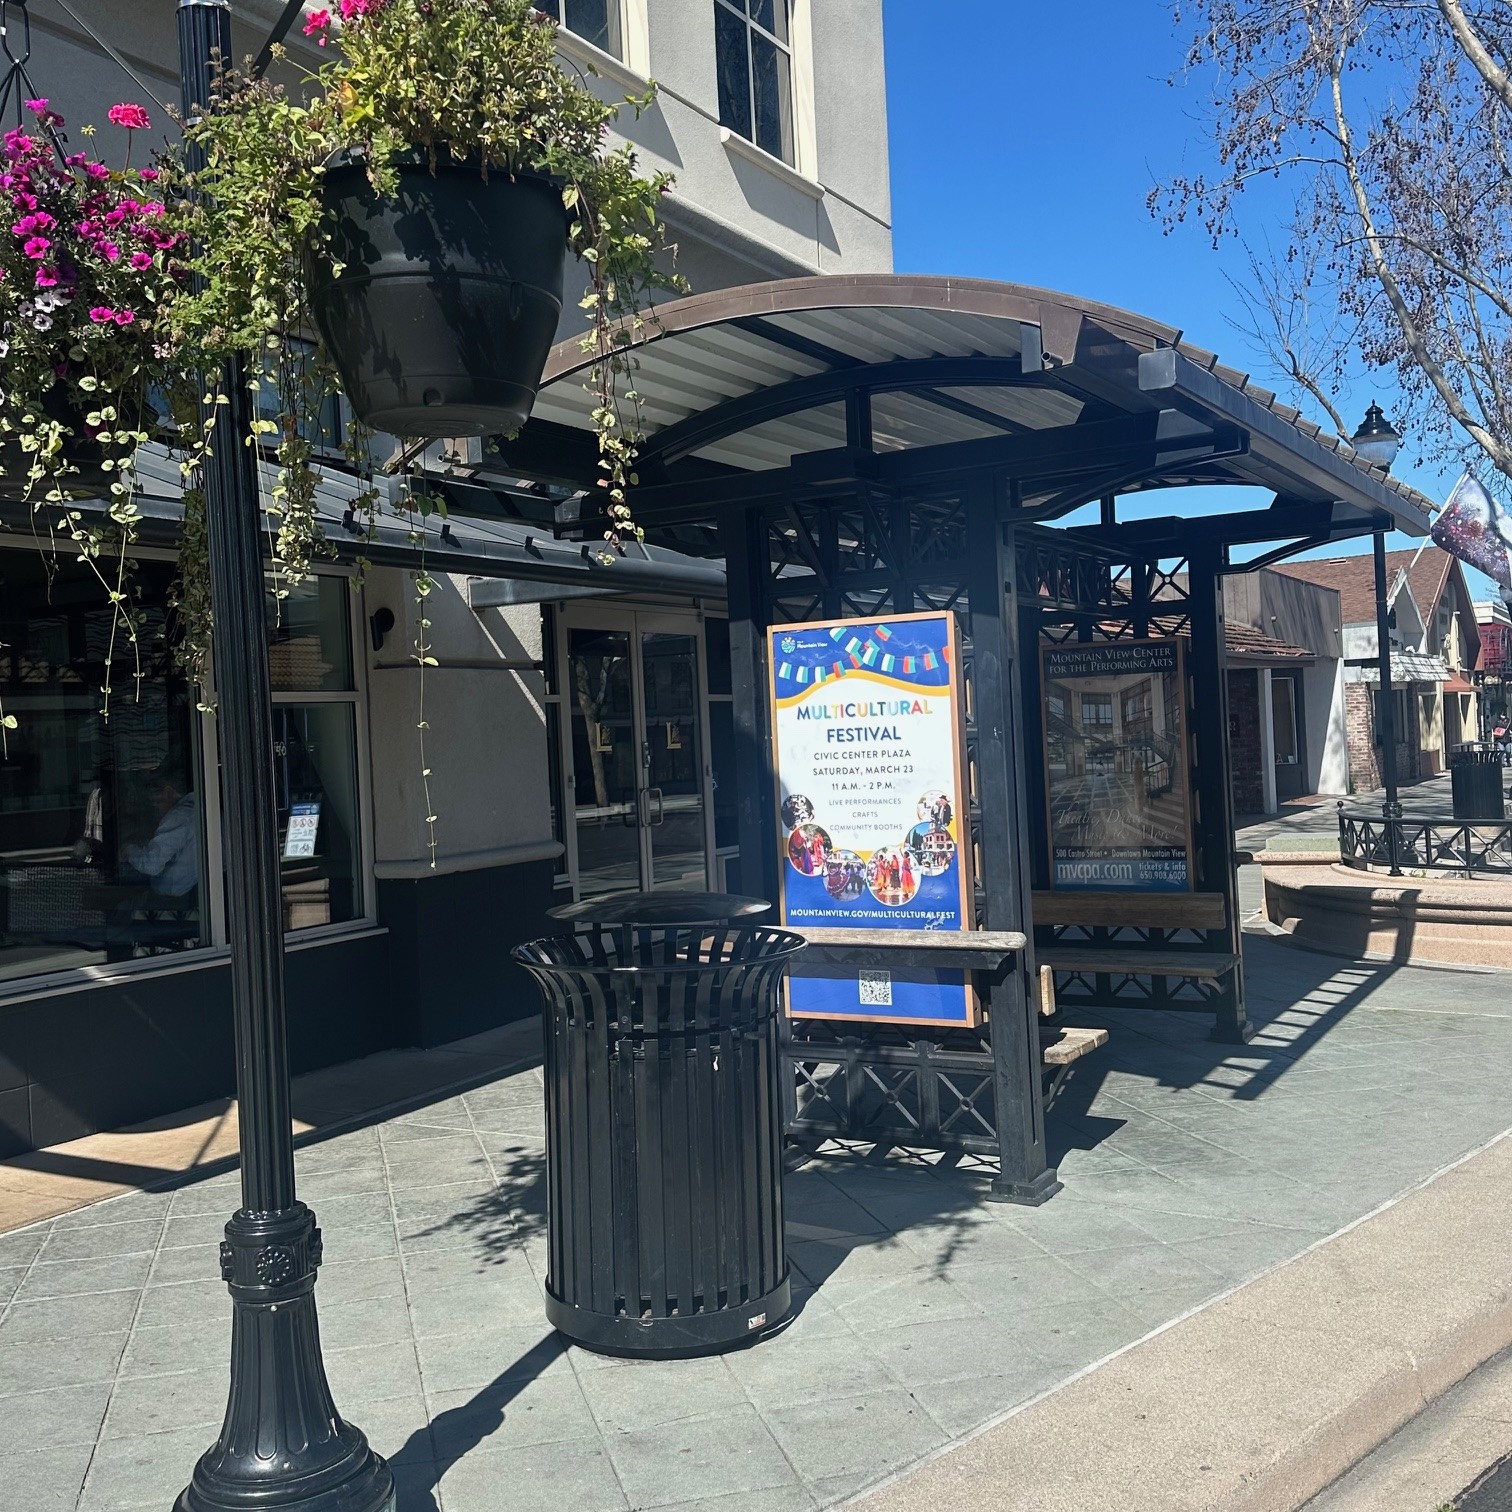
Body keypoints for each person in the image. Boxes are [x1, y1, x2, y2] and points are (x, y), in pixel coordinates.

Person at [123, 770, 199, 902]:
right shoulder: (197, 810)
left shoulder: (179, 817)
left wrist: (127, 850)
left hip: (181, 903)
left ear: (168, 792)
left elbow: (151, 864)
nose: (156, 808)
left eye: (156, 802)